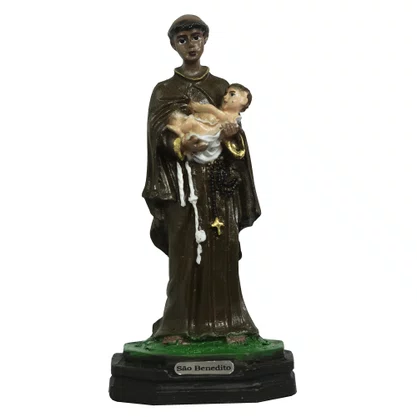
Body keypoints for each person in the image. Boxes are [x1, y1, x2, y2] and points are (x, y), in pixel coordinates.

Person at [142, 15, 261, 344]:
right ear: (173, 44)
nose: (191, 45)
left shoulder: (222, 87)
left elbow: (236, 140)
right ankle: (176, 326)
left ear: (205, 40)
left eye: (196, 37)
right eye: (183, 39)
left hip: (218, 185)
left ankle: (229, 323)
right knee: (183, 254)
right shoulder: (165, 90)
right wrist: (180, 145)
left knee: (222, 252)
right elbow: (157, 135)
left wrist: (232, 135)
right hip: (183, 186)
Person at [166, 84, 252, 164]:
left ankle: (180, 131)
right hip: (205, 137)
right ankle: (181, 133)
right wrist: (180, 145)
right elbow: (159, 125)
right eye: (226, 93)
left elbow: (236, 140)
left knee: (193, 124)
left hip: (210, 140)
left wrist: (229, 137)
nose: (225, 97)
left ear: (244, 100)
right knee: (187, 122)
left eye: (232, 94)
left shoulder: (220, 85)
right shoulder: (166, 87)